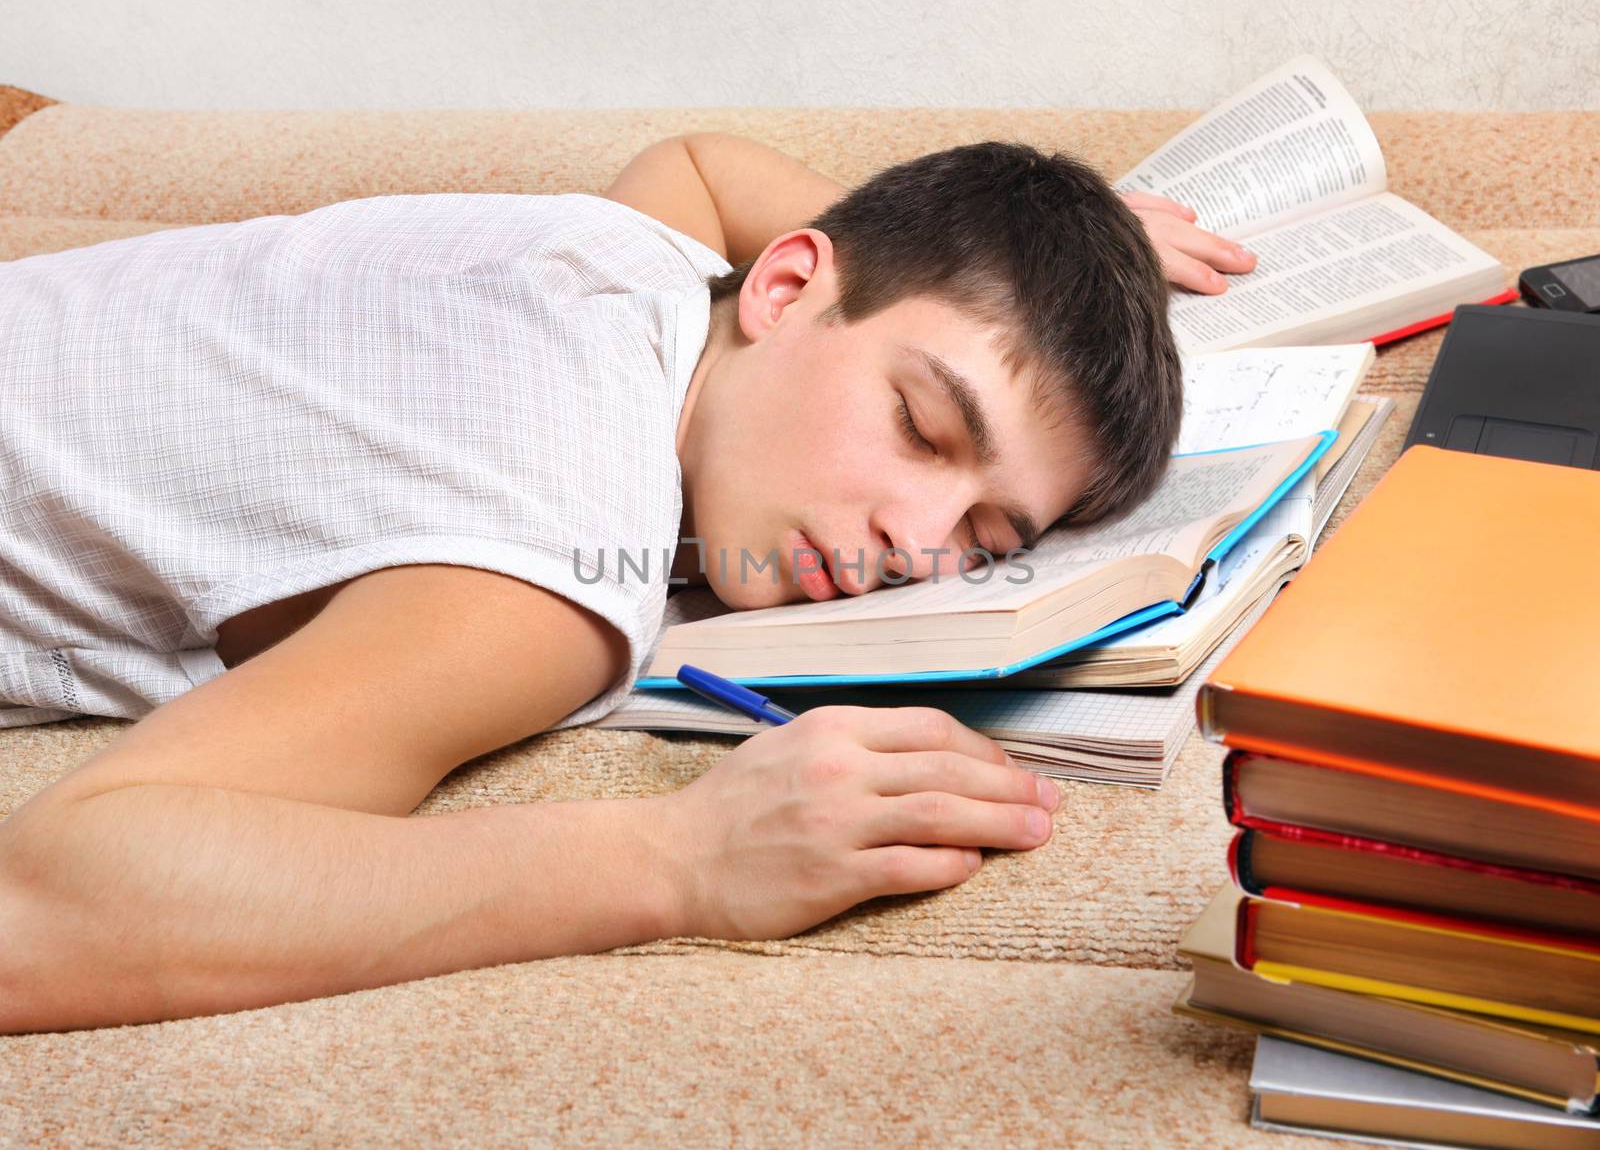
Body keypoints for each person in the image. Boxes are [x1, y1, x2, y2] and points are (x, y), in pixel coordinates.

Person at [0, 131, 1256, 1033]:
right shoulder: (545, 566)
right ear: (783, 285)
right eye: (921, 424)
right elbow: (45, 907)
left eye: (985, 533)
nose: (914, 538)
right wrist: (677, 855)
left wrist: (1058, 271)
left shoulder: (643, 258)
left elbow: (705, 165)